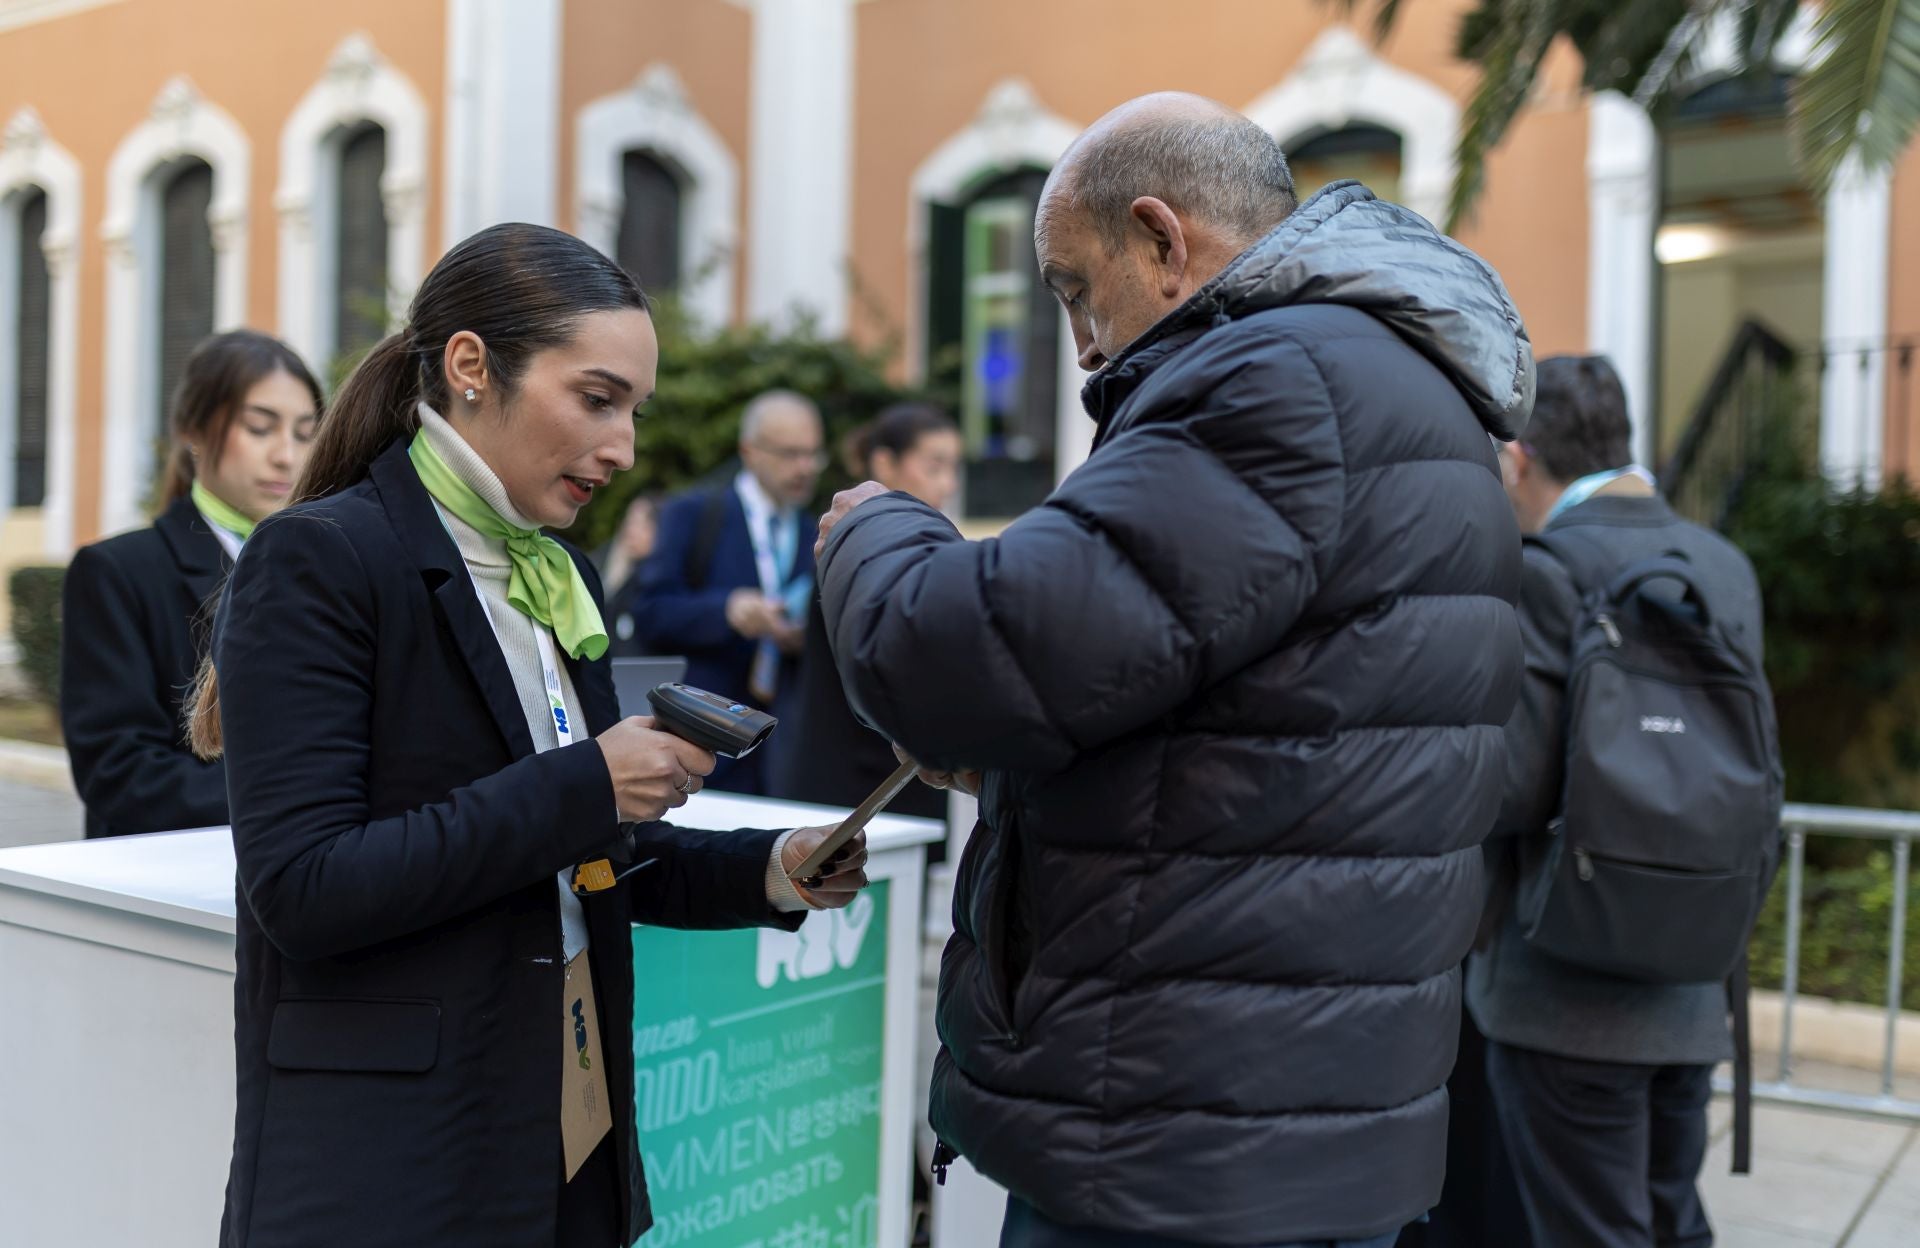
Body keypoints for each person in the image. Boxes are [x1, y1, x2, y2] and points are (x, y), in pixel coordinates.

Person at [814, 94, 1531, 1247]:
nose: (1081, 339)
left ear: (1160, 238)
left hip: (1183, 1136)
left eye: (1070, 287)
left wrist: (875, 528)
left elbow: (945, 653)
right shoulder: (1398, 390)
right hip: (1288, 1115)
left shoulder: (1276, 382)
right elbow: (1258, 735)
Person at [193, 224, 870, 1248]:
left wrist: (771, 871)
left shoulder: (560, 577)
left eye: (634, 410)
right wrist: (590, 783)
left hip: (561, 1135)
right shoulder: (323, 559)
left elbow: (581, 862)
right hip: (392, 1163)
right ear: (470, 367)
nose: (624, 447)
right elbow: (305, 889)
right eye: (597, 400)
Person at [1472, 354, 1770, 1248]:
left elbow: (1515, 785)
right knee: (1672, 1222)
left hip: (1561, 988)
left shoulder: (1545, 568)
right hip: (1694, 979)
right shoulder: (1723, 567)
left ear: (1520, 458)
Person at [60, 329, 320, 839]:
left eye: (306, 432)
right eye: (260, 428)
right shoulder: (118, 572)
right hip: (165, 883)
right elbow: (120, 773)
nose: (286, 456)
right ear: (192, 430)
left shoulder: (322, 566)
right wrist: (300, 798)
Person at [769, 403, 961, 822]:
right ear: (883, 462)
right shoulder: (857, 546)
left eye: (953, 468)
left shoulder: (869, 542)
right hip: (854, 787)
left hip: (896, 783)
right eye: (933, 466)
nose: (946, 484)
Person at [632, 390, 825, 793]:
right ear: (750, 451)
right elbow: (649, 610)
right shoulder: (695, 513)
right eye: (790, 454)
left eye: (813, 454)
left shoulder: (813, 531)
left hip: (778, 749)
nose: (805, 467)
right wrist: (727, 611)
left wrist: (798, 639)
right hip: (701, 742)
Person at [598, 493, 658, 656]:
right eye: (629, 521)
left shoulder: (657, 584)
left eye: (640, 523)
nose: (629, 530)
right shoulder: (623, 574)